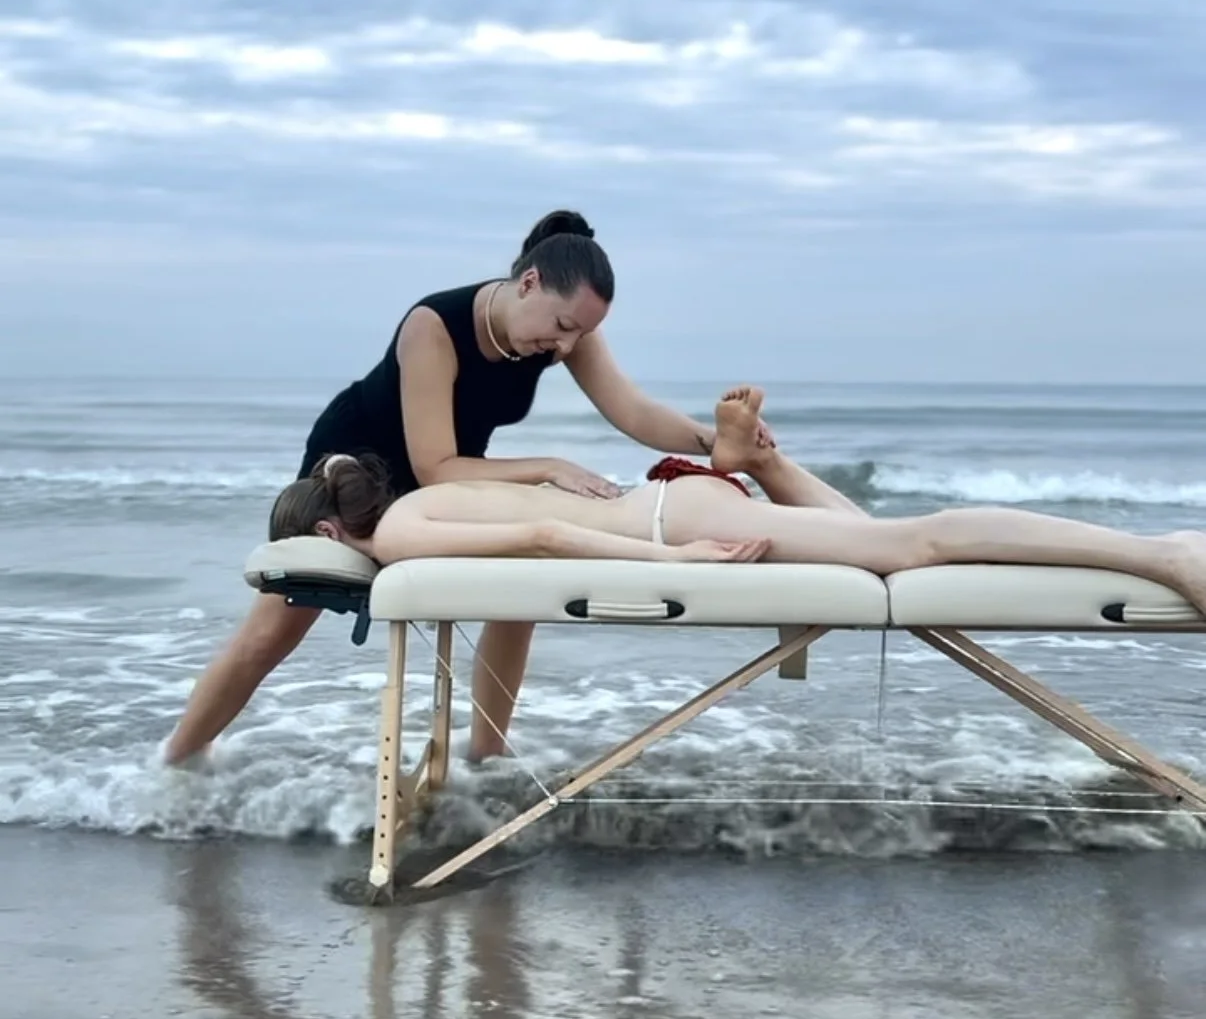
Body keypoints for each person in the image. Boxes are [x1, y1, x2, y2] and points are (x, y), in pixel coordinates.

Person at [268, 384, 1206, 760]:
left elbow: (548, 549)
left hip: (678, 514)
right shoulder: (428, 493)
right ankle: (752, 463)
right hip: (672, 494)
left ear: (329, 533)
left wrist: (667, 558)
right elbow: (537, 548)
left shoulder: (395, 537)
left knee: (913, 546)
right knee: (887, 538)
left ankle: (1160, 553)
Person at [163, 211, 750, 766]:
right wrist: (546, 465)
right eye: (563, 328)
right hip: (358, 468)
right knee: (274, 631)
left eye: (580, 335)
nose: (567, 347)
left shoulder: (564, 330)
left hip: (452, 473)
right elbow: (436, 465)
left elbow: (633, 411)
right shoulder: (435, 326)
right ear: (528, 283)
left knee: (521, 590)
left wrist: (716, 442)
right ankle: (178, 763)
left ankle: (484, 761)